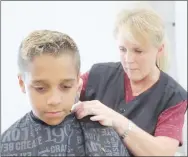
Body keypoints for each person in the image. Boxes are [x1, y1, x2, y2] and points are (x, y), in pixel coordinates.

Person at [71, 6, 188, 156]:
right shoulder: (98, 74)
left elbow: (162, 152)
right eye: (122, 49)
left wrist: (117, 121)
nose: (128, 59)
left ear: (160, 49)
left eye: (138, 51)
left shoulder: (173, 97)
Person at [0, 30, 130, 156]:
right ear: (22, 83)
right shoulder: (7, 145)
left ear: (78, 84)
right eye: (40, 88)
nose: (55, 100)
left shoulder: (103, 133)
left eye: (66, 86)